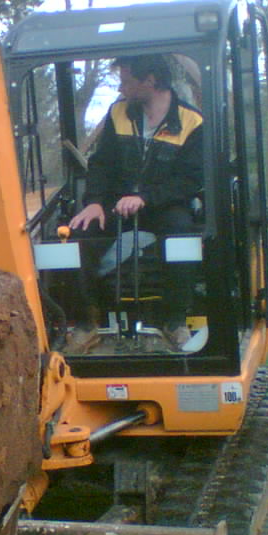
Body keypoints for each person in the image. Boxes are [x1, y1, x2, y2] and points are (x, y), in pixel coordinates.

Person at [66, 54, 205, 349]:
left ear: (151, 81)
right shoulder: (119, 113)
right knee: (78, 234)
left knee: (183, 235)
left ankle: (175, 320)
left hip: (165, 205)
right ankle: (86, 322)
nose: (120, 88)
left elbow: (190, 180)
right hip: (117, 204)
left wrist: (145, 198)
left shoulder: (191, 121)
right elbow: (101, 164)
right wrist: (94, 202)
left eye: (126, 81)